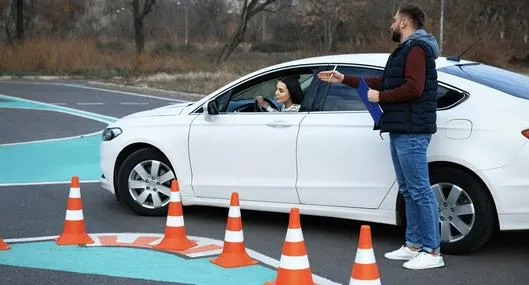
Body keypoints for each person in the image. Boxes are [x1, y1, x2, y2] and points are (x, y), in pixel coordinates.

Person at [318, 3, 444, 270]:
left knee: (420, 190)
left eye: (394, 20)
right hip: (400, 127)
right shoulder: (405, 51)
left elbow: (414, 88)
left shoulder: (417, 49)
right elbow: (385, 82)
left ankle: (432, 252)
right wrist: (345, 79)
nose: (391, 24)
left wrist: (381, 98)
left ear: (405, 23)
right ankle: (413, 245)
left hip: (412, 129)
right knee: (408, 190)